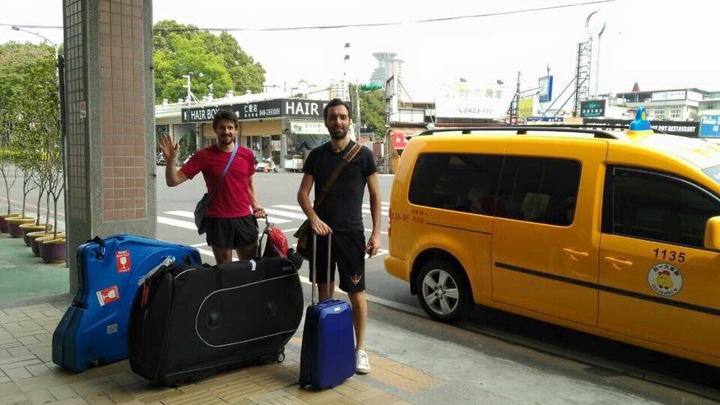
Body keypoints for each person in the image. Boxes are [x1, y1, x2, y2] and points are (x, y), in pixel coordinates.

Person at [296, 98, 381, 375]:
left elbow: (376, 197)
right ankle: (327, 344)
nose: (338, 122)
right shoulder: (317, 156)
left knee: (357, 295)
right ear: (326, 122)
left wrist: (376, 234)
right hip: (323, 237)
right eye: (333, 117)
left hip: (352, 235)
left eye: (342, 117)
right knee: (324, 295)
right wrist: (315, 219)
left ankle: (360, 350)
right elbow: (303, 194)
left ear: (349, 121)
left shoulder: (364, 155)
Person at [158, 109, 265, 264]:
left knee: (250, 266)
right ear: (215, 129)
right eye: (222, 127)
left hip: (244, 218)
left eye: (230, 127)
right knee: (224, 269)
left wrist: (256, 206)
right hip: (218, 220)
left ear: (236, 129)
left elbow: (249, 183)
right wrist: (170, 160)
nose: (226, 131)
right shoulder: (204, 156)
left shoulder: (247, 154)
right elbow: (173, 181)